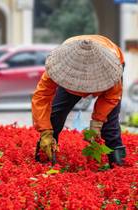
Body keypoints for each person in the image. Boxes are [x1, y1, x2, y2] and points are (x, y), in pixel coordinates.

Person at [32, 35, 126, 166]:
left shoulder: (111, 70)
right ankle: (45, 155)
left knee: (109, 124)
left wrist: (97, 122)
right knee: (55, 115)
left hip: (107, 60)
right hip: (71, 71)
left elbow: (111, 98)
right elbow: (41, 97)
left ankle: (117, 163)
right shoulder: (59, 66)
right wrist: (45, 131)